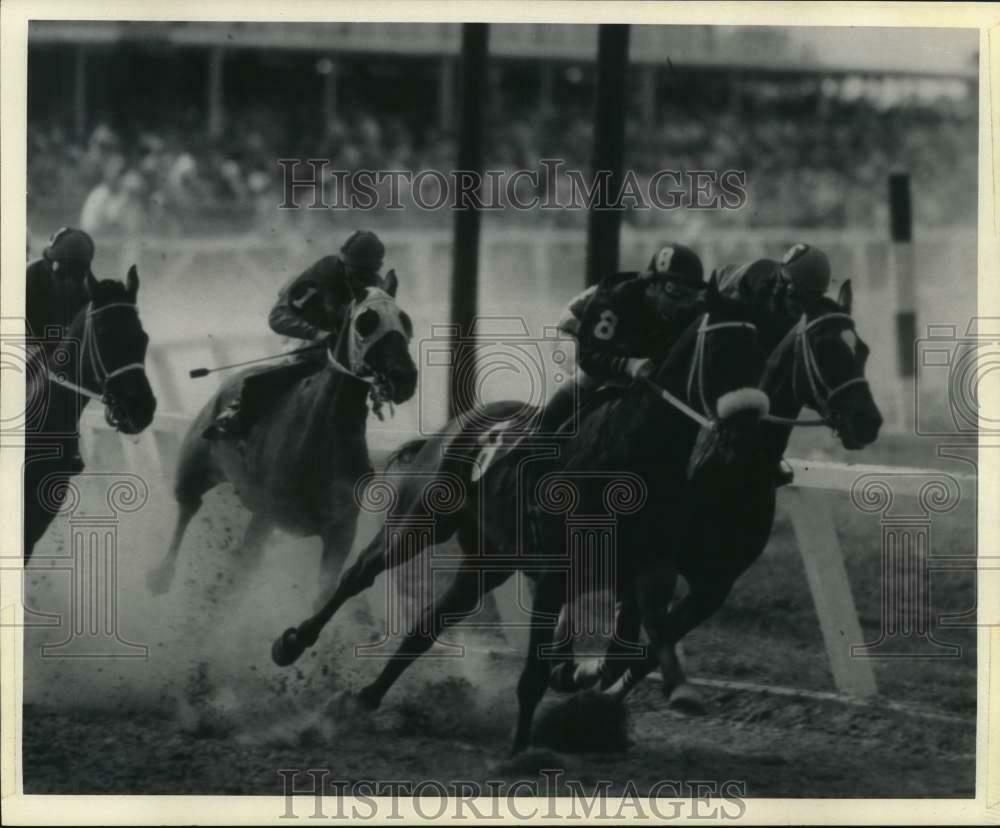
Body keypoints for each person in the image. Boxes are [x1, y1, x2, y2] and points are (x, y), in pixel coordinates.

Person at [203, 230, 390, 440]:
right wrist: (317, 334)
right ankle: (238, 412)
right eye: (356, 273)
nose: (361, 281)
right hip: (307, 337)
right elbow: (277, 317)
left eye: (367, 274)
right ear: (344, 263)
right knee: (303, 364)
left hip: (344, 345)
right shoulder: (323, 273)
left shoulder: (377, 284)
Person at [535, 242, 708, 436]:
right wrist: (627, 365)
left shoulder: (691, 309)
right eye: (675, 292)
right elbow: (589, 356)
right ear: (652, 285)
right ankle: (541, 430)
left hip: (626, 339)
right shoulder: (619, 297)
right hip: (577, 331)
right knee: (589, 377)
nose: (683, 305)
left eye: (690, 295)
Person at [713, 242, 834, 486]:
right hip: (722, 309)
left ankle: (770, 455)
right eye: (785, 283)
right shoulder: (754, 288)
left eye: (801, 297)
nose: (787, 293)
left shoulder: (803, 307)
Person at [25, 227, 96, 344]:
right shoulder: (28, 283)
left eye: (76, 276)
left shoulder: (84, 298)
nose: (68, 282)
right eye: (60, 274)